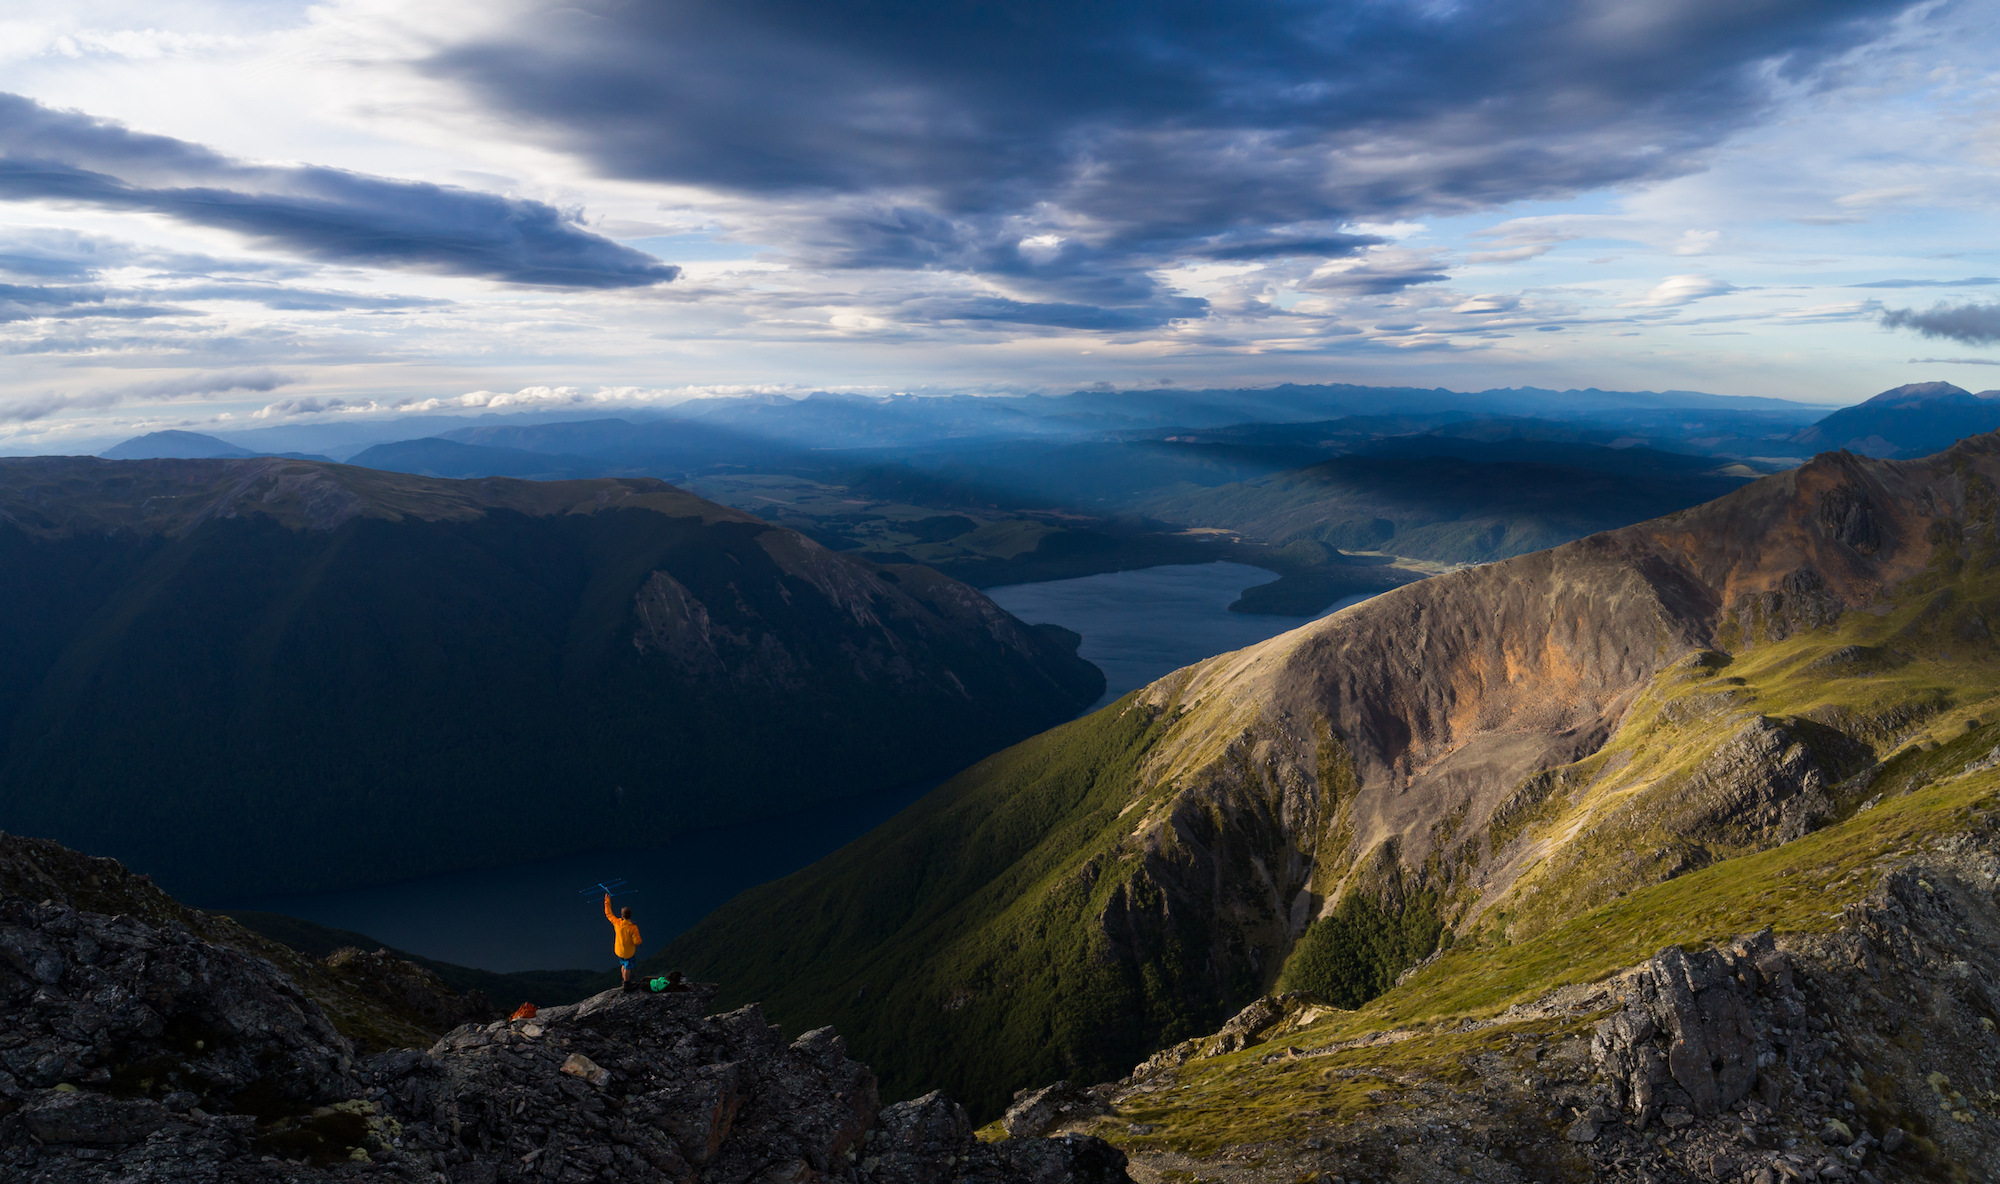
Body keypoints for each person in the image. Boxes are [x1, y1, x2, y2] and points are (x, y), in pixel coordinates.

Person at [604, 893, 642, 989]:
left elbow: (608, 913)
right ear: (630, 915)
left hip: (619, 950)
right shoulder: (633, 927)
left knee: (623, 965)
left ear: (622, 915)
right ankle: (626, 983)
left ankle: (624, 980)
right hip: (628, 952)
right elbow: (637, 941)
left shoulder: (617, 923)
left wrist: (607, 901)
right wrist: (639, 942)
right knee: (627, 967)